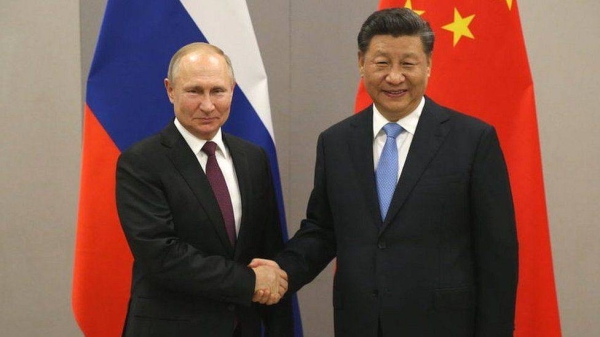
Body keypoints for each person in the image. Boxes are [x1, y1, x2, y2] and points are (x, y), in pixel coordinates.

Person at [251, 8, 518, 337]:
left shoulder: (473, 141)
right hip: (360, 324)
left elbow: (498, 255)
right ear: (361, 63)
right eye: (382, 63)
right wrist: (283, 271)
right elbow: (322, 230)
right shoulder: (335, 142)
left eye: (408, 63)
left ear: (429, 65)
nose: (394, 77)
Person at [116, 42, 292, 337]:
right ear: (170, 90)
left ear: (233, 90)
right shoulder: (141, 162)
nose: (208, 105)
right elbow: (162, 256)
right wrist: (249, 281)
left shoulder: (253, 158)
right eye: (194, 91)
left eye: (218, 91)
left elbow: (268, 249)